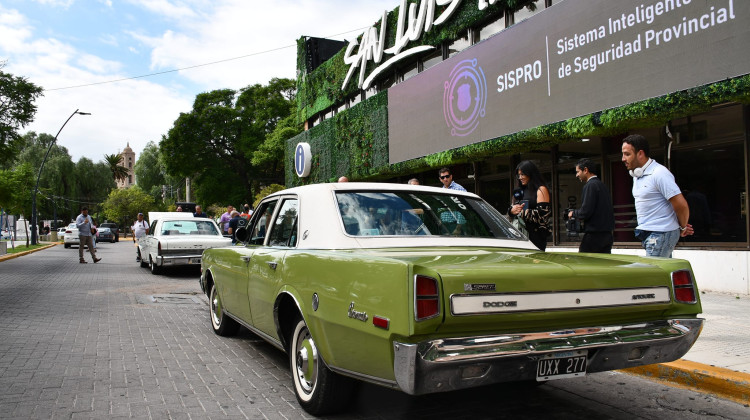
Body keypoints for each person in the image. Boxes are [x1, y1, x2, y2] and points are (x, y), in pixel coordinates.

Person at [622, 134, 693, 257]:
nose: (623, 158)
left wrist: (682, 227)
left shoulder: (659, 173)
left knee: (650, 274)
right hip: (651, 233)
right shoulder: (637, 175)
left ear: (640, 153)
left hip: (660, 233)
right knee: (661, 274)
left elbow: (681, 205)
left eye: (627, 154)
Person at [567, 159, 615, 253]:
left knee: (585, 264)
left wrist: (573, 213)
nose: (577, 175)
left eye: (578, 172)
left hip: (594, 236)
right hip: (607, 235)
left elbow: (585, 212)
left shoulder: (590, 186)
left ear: (585, 170)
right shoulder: (602, 185)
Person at [509, 160, 551, 251]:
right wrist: (511, 211)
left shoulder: (541, 189)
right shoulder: (519, 190)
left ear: (531, 174)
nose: (520, 177)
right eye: (518, 175)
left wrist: (521, 212)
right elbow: (511, 212)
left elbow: (543, 215)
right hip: (519, 234)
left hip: (535, 236)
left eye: (523, 174)